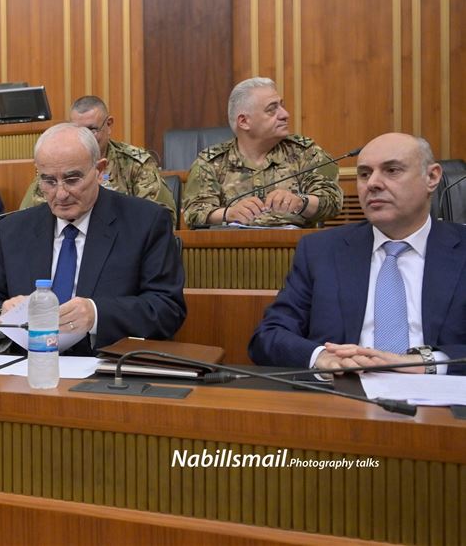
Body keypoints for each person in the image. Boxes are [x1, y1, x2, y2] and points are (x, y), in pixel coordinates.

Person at [248, 133, 466, 375]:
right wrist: (321, 357)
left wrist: (428, 363)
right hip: (344, 389)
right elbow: (268, 336)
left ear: (432, 177)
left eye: (392, 170)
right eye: (364, 174)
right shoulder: (321, 251)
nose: (373, 183)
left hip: (439, 393)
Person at [0, 123, 186, 356]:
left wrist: (96, 315)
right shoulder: (13, 230)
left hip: (107, 367)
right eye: (49, 181)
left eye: (72, 179)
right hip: (31, 366)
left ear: (99, 170)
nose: (61, 194)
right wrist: (2, 314)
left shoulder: (145, 222)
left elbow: (167, 308)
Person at [183, 77, 343, 227]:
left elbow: (333, 201)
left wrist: (301, 202)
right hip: (232, 246)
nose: (285, 114)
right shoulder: (212, 162)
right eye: (272, 110)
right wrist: (228, 213)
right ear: (244, 121)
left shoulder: (305, 153)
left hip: (295, 244)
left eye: (281, 106)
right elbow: (193, 212)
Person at [20, 96, 177, 226]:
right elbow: (28, 219)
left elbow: (160, 218)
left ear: (108, 125)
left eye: (92, 130)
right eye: (78, 130)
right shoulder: (57, 167)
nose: (85, 137)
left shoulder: (135, 163)